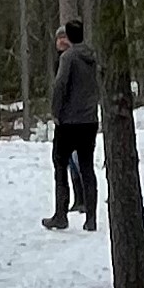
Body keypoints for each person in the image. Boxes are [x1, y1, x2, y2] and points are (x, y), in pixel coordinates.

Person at [47, 15, 99, 230]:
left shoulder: (68, 58)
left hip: (69, 122)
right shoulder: (92, 57)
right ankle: (91, 218)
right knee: (87, 168)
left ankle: (61, 214)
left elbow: (60, 86)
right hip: (89, 121)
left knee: (60, 164)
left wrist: (55, 112)